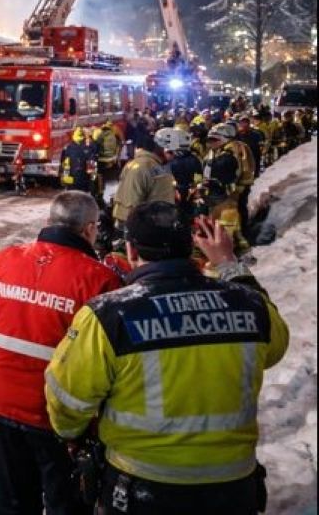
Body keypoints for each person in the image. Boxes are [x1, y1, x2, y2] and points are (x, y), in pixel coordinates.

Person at [45, 204, 289, 515]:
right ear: (191, 246)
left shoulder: (109, 315)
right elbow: (277, 346)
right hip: (232, 487)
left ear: (131, 250)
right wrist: (228, 263)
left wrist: (72, 436)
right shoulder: (250, 304)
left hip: (140, 487)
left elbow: (67, 400)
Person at [0, 192, 122, 515]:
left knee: (10, 502)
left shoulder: (4, 261)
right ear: (90, 230)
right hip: (59, 418)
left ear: (49, 222)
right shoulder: (101, 280)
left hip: (1, 404)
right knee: (65, 504)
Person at [203, 122, 255, 255]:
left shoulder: (234, 149)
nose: (211, 143)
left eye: (214, 139)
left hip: (236, 188)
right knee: (233, 214)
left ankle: (237, 242)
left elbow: (243, 169)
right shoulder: (224, 148)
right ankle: (238, 240)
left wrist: (238, 188)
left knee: (233, 214)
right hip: (233, 188)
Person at [162, 127, 203, 217]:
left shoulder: (174, 162)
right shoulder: (194, 159)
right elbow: (198, 179)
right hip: (190, 193)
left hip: (181, 194)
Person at [59, 127, 97, 194]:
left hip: (71, 182)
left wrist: (65, 179)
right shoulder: (89, 148)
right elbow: (92, 168)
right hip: (84, 183)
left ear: (74, 136)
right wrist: (92, 182)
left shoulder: (68, 148)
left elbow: (64, 165)